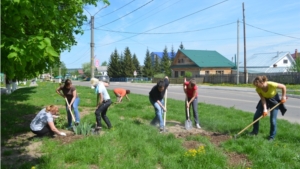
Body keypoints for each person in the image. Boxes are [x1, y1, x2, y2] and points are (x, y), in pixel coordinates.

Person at [250, 76, 287, 141]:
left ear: (262, 82)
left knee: (273, 120)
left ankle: (271, 137)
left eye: (258, 85)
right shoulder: (258, 89)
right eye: (256, 86)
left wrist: (283, 97)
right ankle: (254, 132)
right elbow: (263, 99)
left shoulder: (271, 84)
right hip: (265, 100)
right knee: (256, 116)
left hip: (274, 100)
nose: (257, 87)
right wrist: (265, 109)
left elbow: (283, 86)